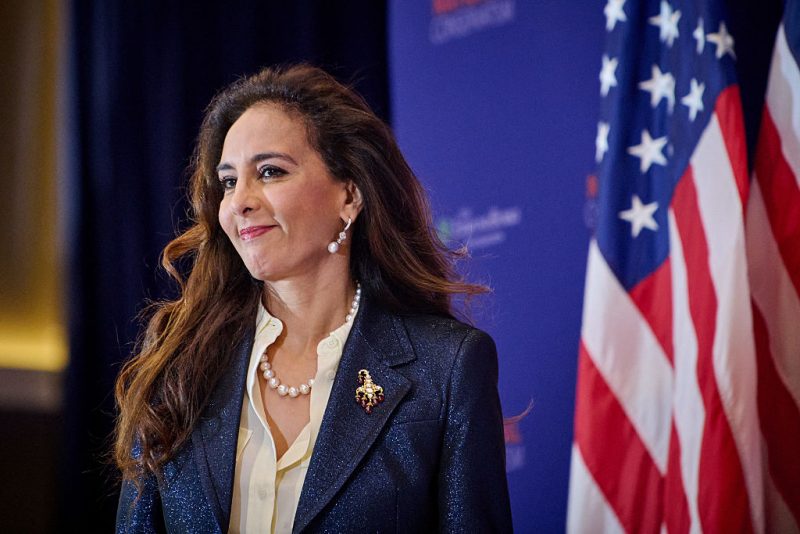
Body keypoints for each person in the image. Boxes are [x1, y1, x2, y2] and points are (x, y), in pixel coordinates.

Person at [114, 64, 512, 533]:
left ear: (349, 195)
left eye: (269, 172)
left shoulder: (446, 368)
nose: (239, 201)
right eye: (227, 181)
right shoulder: (176, 360)